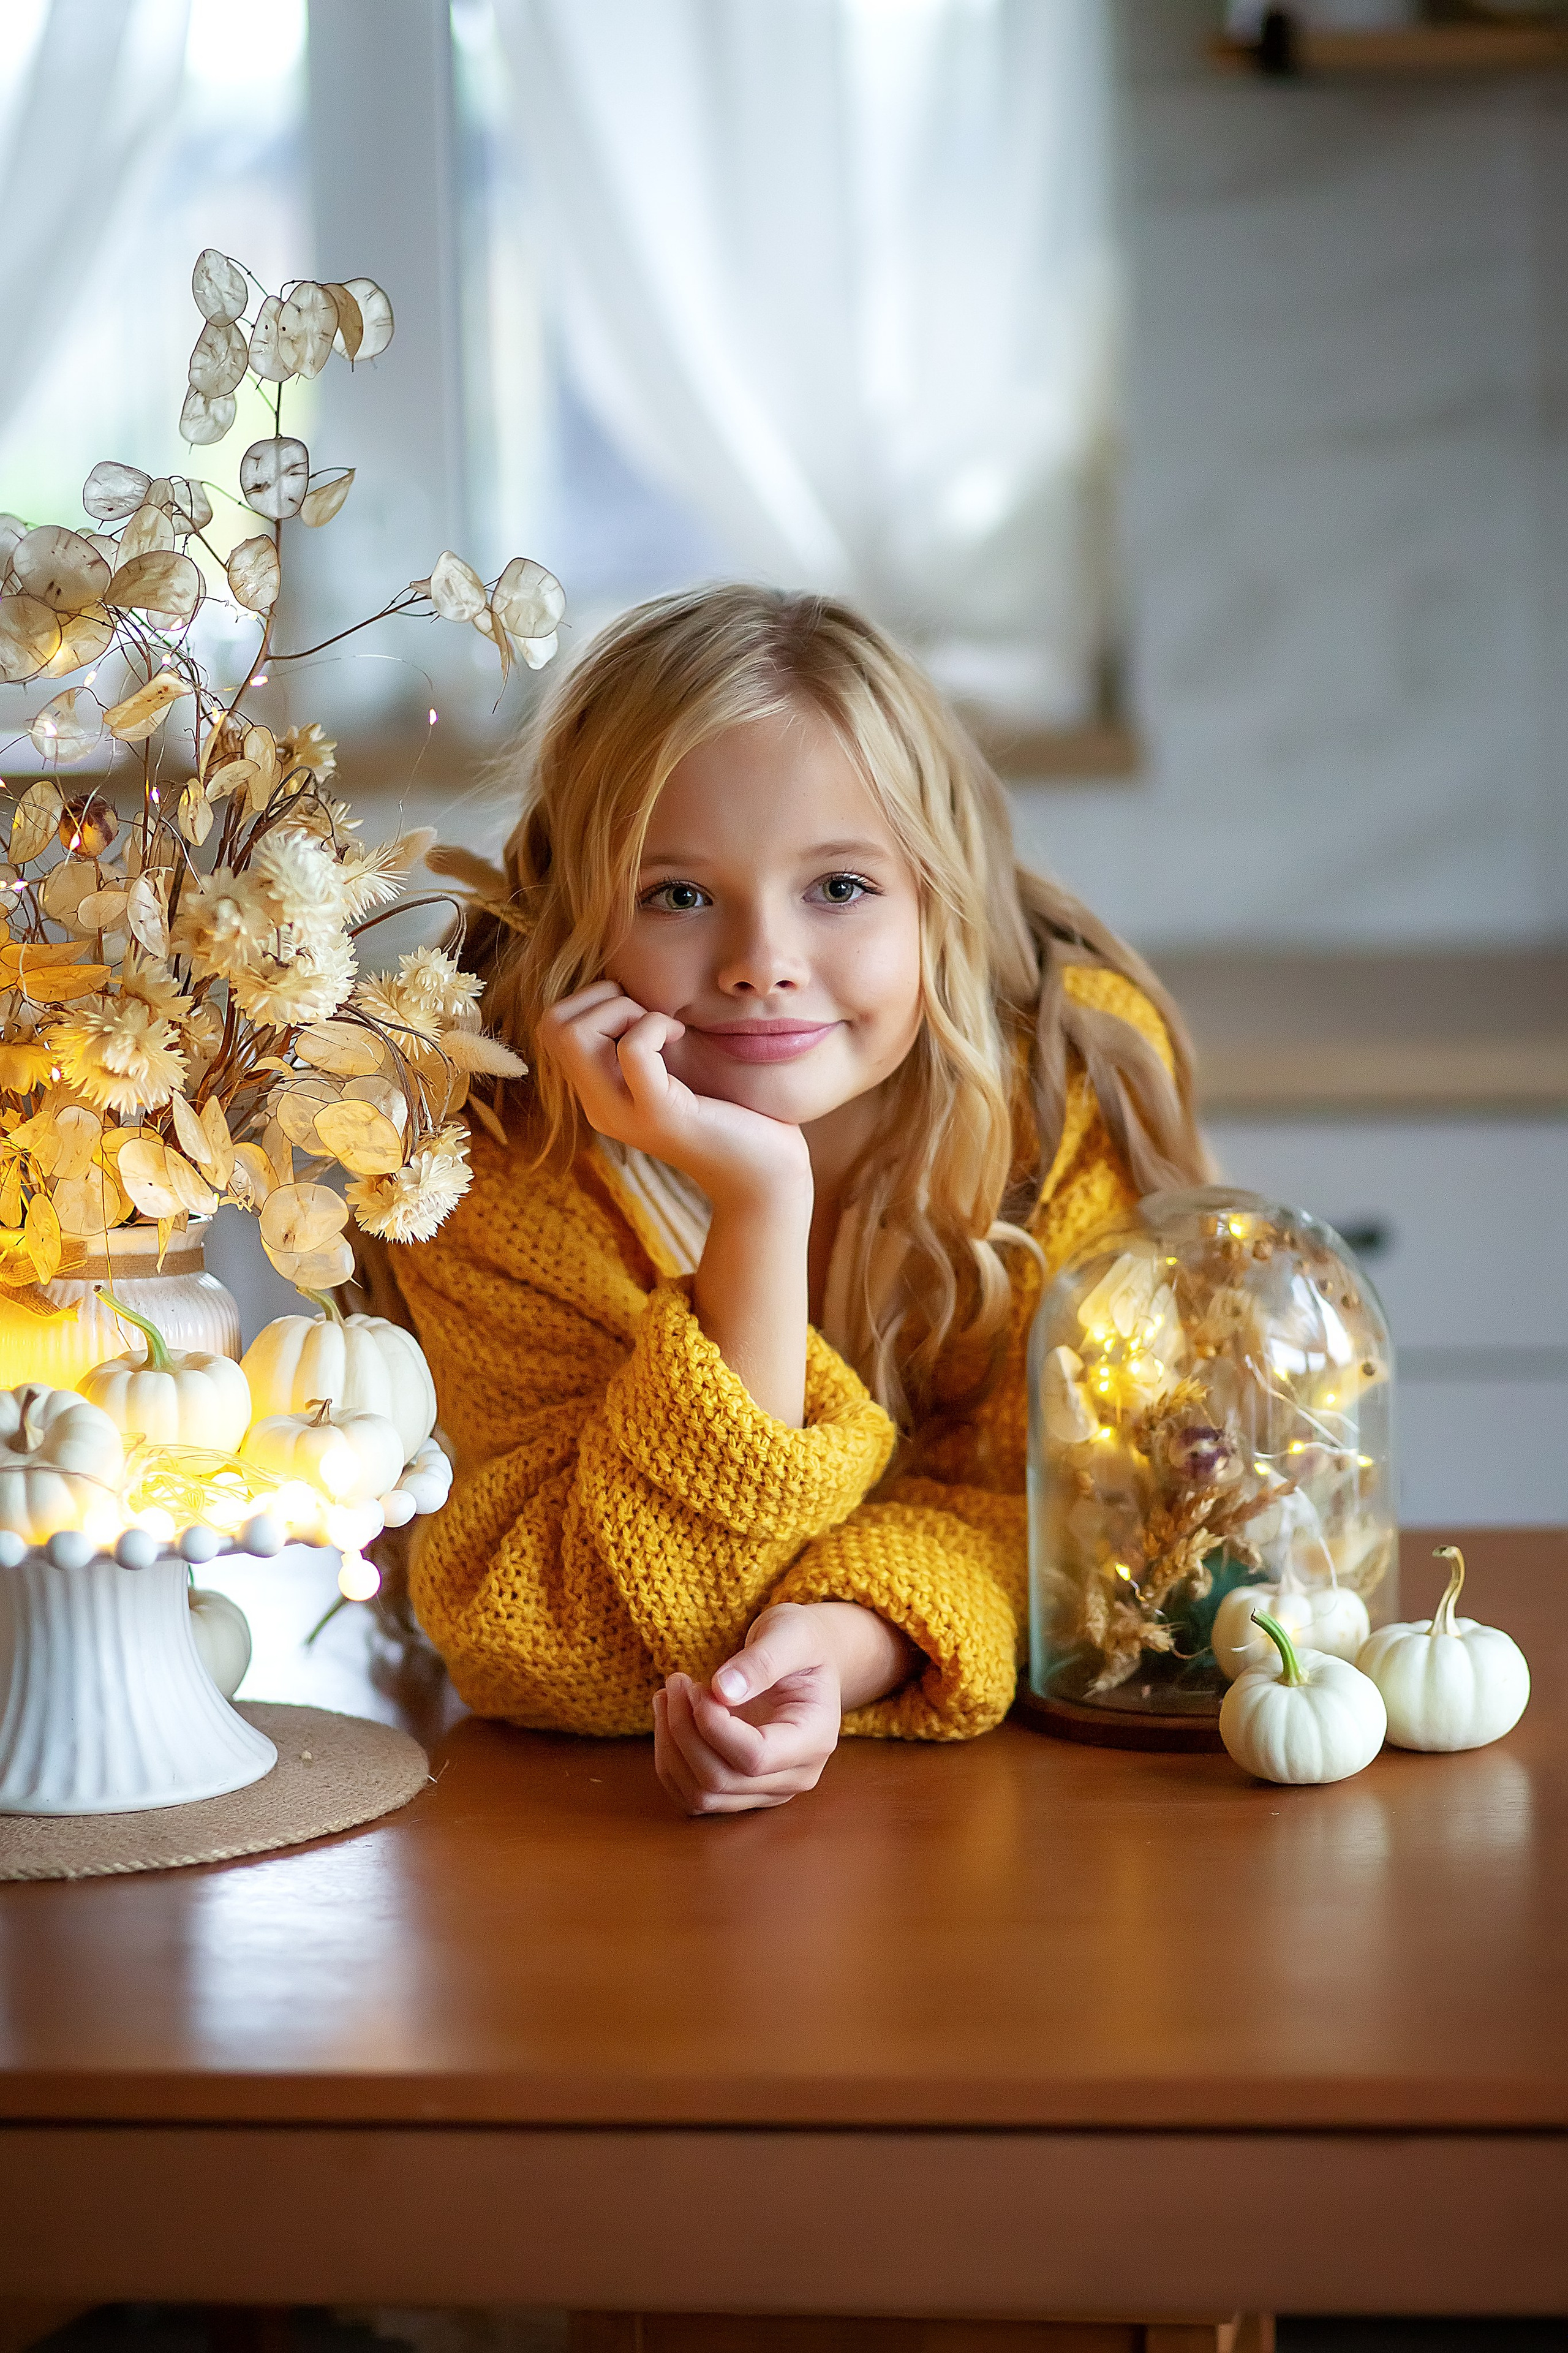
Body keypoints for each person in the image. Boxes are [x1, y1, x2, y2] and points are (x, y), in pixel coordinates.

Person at [388, 584, 1207, 1815]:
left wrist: (849, 1637)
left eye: (837, 887)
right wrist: (760, 1209)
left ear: (937, 894)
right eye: (677, 894)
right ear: (578, 911)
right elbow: (568, 1640)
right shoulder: (490, 1144)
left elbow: (1083, 1537)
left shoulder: (1058, 1092)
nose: (760, 964)